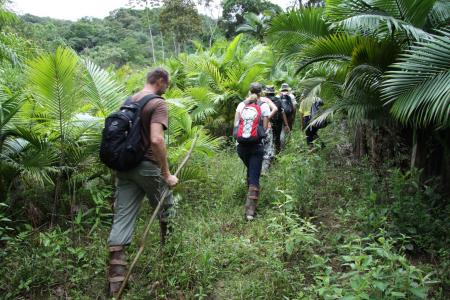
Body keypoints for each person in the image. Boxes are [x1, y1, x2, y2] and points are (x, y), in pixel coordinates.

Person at [107, 68, 178, 296]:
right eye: (167, 83)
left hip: (124, 167)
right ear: (160, 81)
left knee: (122, 218)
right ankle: (171, 254)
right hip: (146, 166)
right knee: (166, 205)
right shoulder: (157, 103)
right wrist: (166, 174)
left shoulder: (130, 100)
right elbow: (157, 140)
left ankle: (116, 282)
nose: (167, 87)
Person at [234, 83, 270, 221]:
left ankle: (249, 195)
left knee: (251, 169)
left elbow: (236, 126)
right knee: (255, 175)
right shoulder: (264, 105)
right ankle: (250, 211)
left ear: (249, 91)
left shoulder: (241, 105)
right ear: (261, 92)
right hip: (256, 146)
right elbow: (265, 128)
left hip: (241, 147)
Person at [264, 86, 290, 154]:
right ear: (273, 93)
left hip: (266, 122)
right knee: (277, 138)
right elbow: (282, 112)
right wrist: (286, 124)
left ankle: (268, 154)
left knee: (267, 139)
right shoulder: (278, 100)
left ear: (266, 93)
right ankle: (277, 154)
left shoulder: (263, 101)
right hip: (278, 122)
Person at [260, 86, 279, 173]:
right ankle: (264, 171)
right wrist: (267, 119)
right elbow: (275, 109)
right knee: (267, 148)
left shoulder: (248, 100)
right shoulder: (265, 100)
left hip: (253, 129)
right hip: (266, 127)